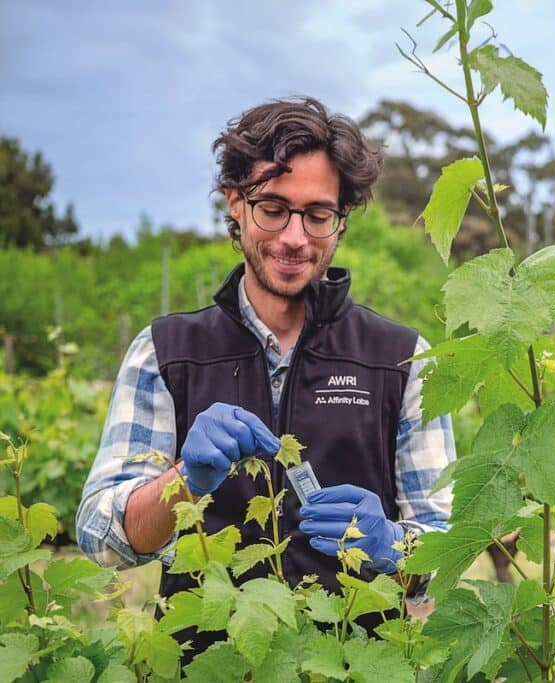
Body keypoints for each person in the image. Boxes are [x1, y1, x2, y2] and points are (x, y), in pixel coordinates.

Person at [76, 96, 455, 654]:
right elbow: (101, 539)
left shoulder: (400, 360)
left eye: (318, 214)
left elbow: (446, 555)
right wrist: (181, 481)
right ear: (235, 203)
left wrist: (395, 547)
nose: (295, 237)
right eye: (273, 208)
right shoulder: (165, 352)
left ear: (341, 218)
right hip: (205, 666)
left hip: (352, 663)